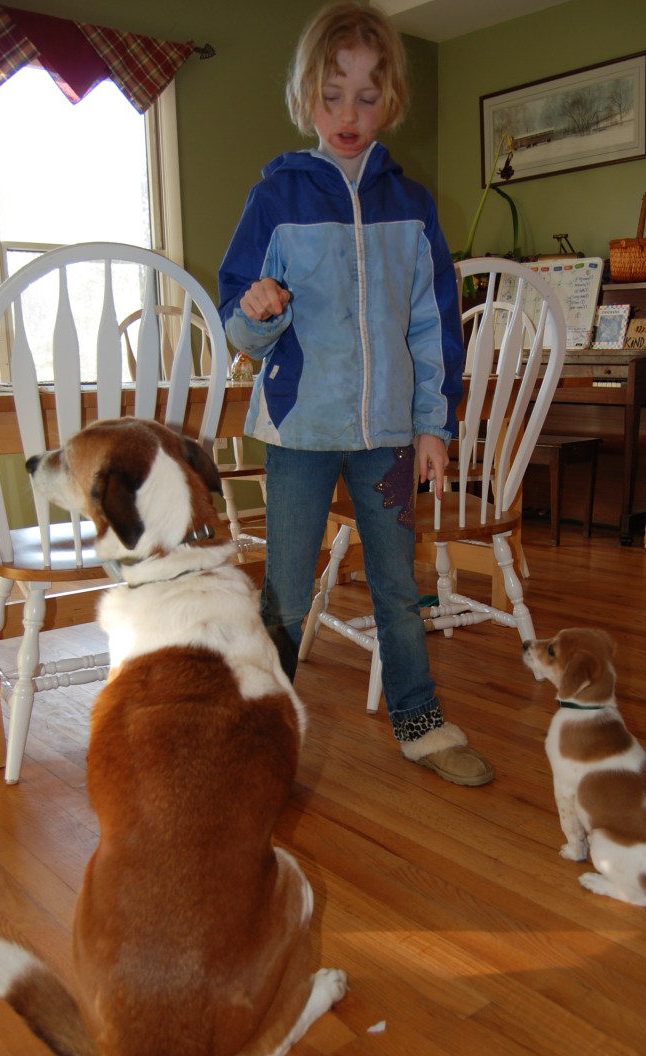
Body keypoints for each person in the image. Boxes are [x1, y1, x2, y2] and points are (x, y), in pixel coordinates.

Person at [217, 1, 493, 787]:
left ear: (392, 101)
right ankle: (260, 738)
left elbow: (432, 324)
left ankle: (418, 718)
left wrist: (432, 425)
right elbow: (238, 328)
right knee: (286, 592)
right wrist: (256, 311)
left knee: (398, 587)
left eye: (367, 96)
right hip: (299, 431)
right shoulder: (276, 199)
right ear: (308, 97)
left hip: (388, 435)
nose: (349, 113)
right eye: (332, 94)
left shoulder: (412, 206)